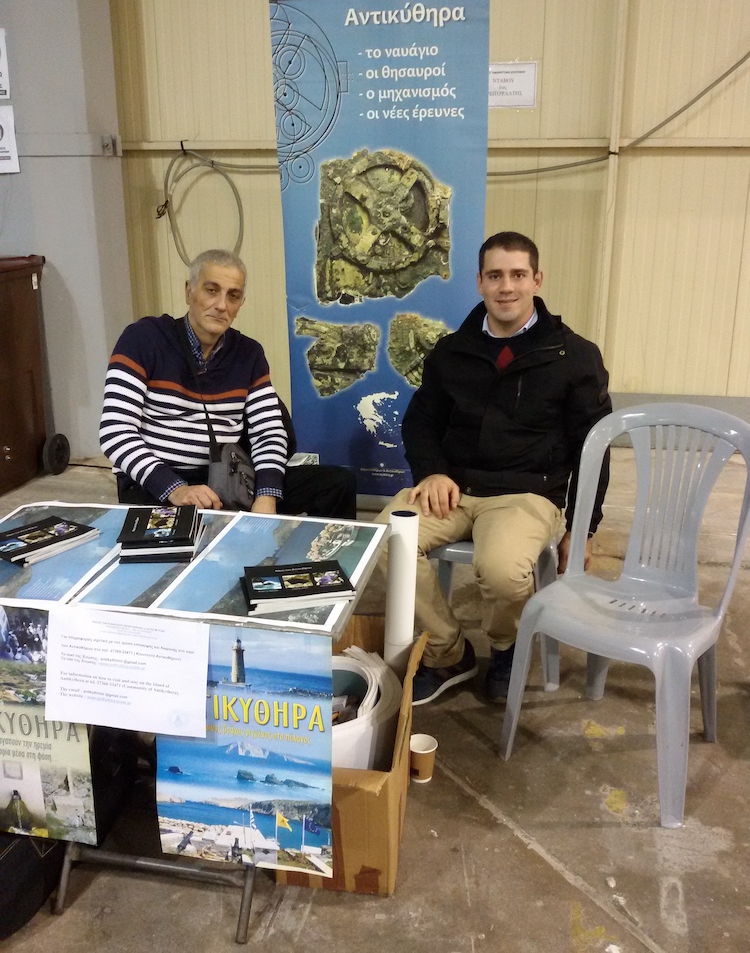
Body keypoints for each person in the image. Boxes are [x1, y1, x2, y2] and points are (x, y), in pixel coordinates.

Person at [376, 231, 611, 705]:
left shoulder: (573, 356)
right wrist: (432, 471)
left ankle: (506, 648)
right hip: (455, 488)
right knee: (386, 541)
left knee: (502, 571)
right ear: (480, 282)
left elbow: (594, 446)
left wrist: (583, 528)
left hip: (527, 493)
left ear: (537, 280)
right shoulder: (451, 351)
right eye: (495, 276)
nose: (507, 287)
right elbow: (421, 421)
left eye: (518, 275)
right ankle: (449, 652)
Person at [99, 249, 356, 519]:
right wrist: (175, 489)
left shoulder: (249, 354)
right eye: (211, 290)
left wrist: (266, 497)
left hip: (225, 476)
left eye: (233, 296)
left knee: (338, 484)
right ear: (189, 292)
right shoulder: (143, 339)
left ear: (241, 303)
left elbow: (269, 433)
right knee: (188, 530)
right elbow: (115, 432)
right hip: (155, 481)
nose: (221, 305)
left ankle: (326, 548)